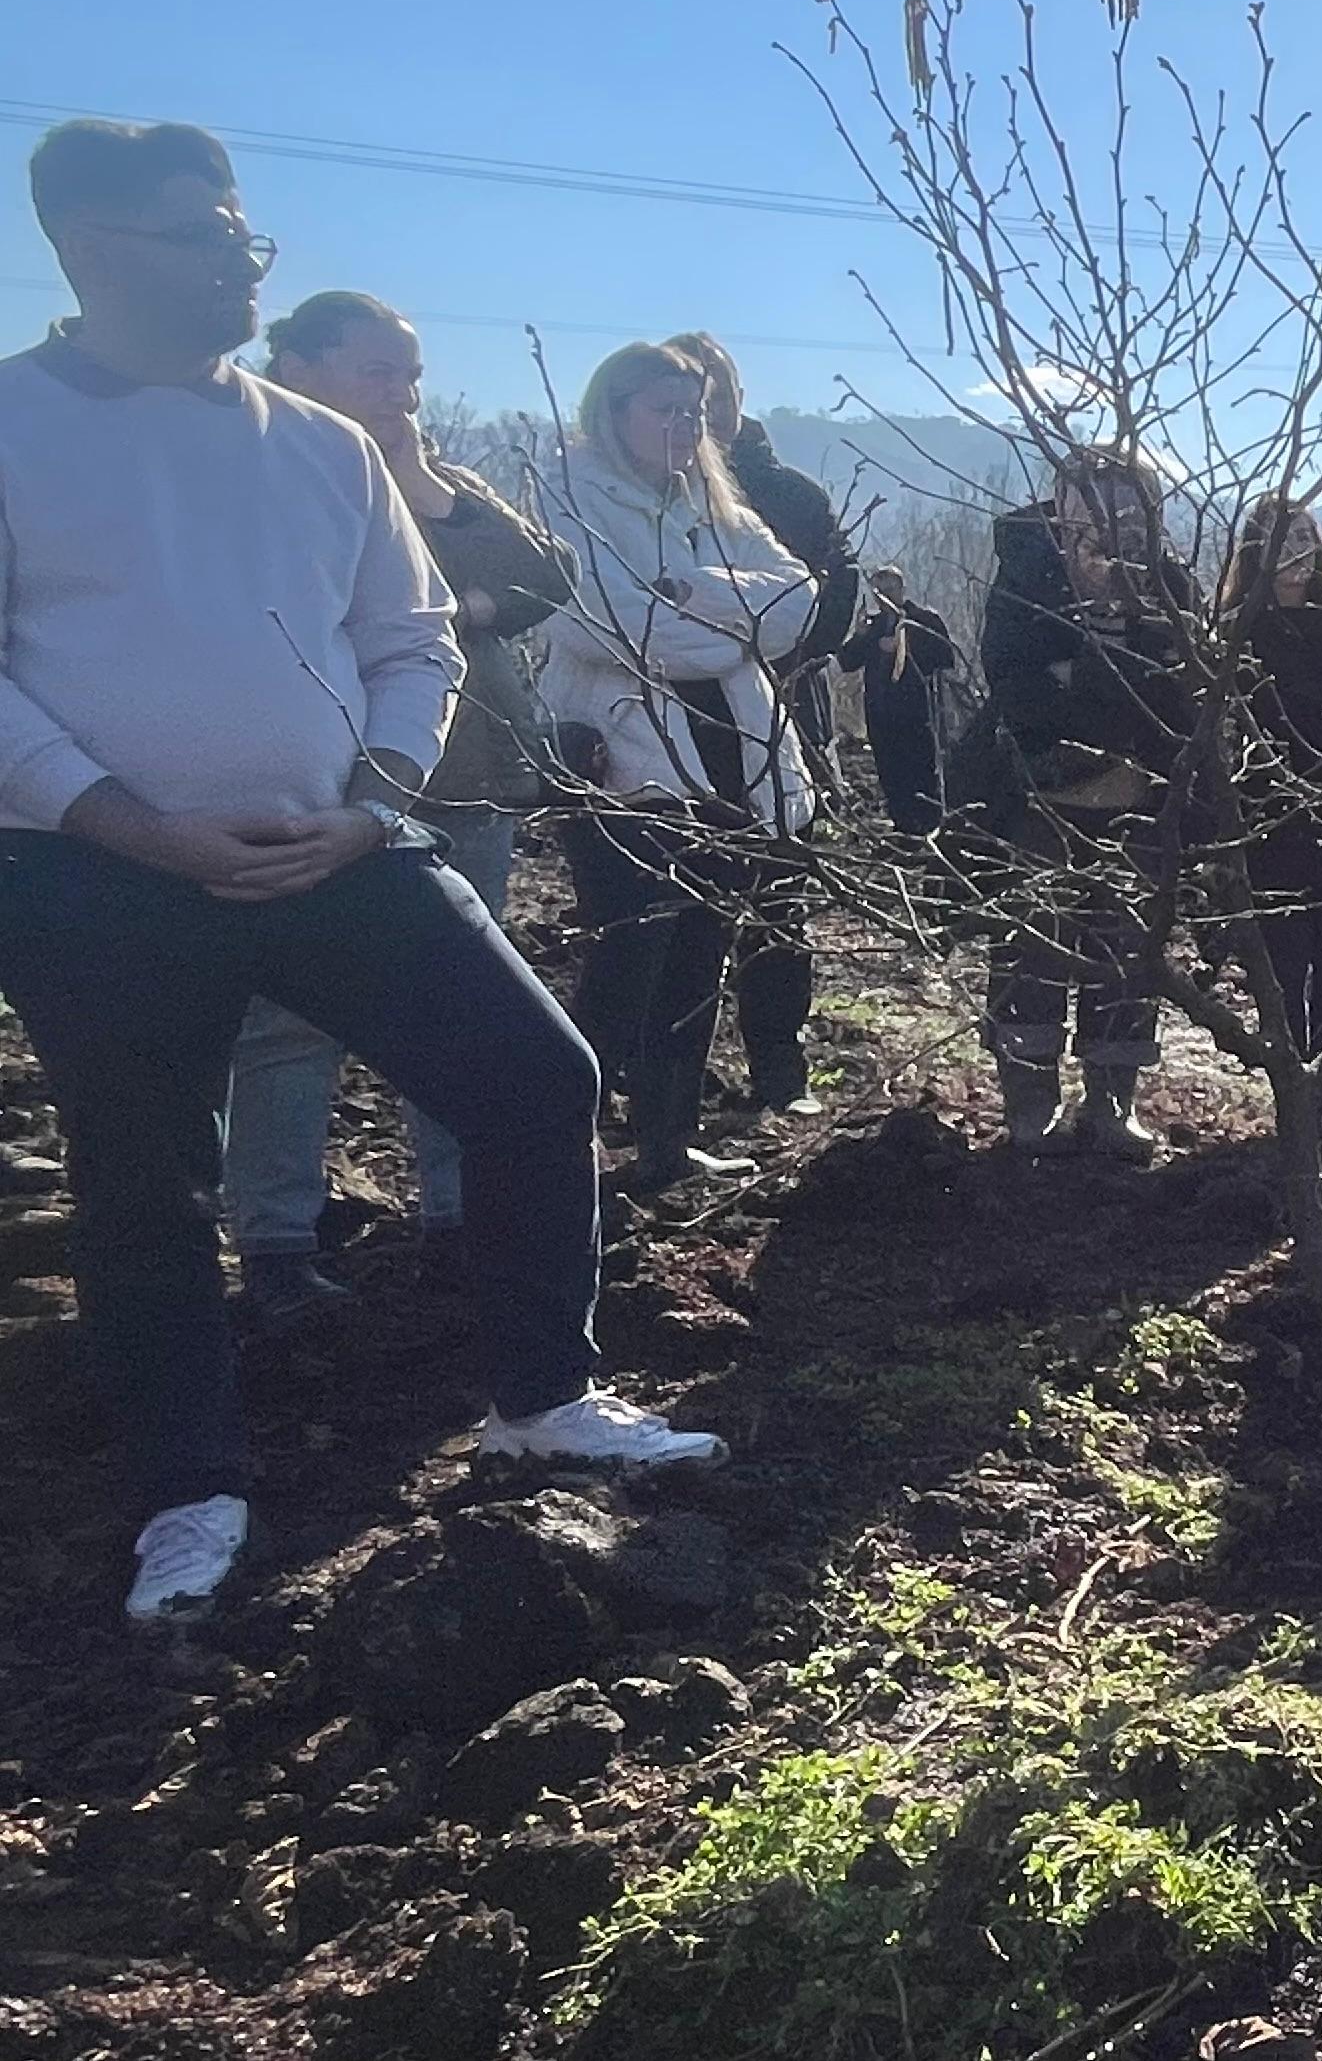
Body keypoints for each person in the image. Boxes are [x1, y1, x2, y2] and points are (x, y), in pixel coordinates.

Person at [0, 120, 716, 1624]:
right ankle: (189, 1491)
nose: (238, 265)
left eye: (243, 235)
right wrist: (131, 825)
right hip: (98, 877)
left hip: (339, 849)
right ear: (84, 245)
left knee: (534, 1077)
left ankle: (542, 1398)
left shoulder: (321, 447)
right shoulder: (13, 425)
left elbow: (413, 638)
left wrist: (375, 802)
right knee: (144, 1184)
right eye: (198, 237)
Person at [220, 290, 573, 1320]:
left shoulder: (437, 481)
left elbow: (545, 576)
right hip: (313, 791)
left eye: (412, 375)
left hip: (464, 781)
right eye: (379, 371)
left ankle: (463, 1220)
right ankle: (276, 1246)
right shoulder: (253, 466)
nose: (403, 395)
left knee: (466, 1014)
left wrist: (424, 490)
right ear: (296, 366)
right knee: (286, 1025)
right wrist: (462, 604)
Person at [538, 342, 822, 1195]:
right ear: (613, 412)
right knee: (628, 957)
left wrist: (689, 591)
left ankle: (668, 1142)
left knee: (701, 954)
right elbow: (604, 624)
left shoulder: (713, 498)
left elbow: (800, 599)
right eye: (665, 410)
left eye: (693, 412)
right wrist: (737, 628)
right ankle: (564, 1153)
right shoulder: (569, 495)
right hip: (627, 759)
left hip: (731, 749)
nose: (684, 427)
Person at [666, 332, 859, 1122]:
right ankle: (666, 1085)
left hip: (784, 715)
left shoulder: (791, 496)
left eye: (717, 391)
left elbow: (831, 604)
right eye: (688, 396)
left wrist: (750, 646)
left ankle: (781, 1071)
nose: (706, 409)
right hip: (673, 723)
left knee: (781, 904)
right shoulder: (643, 491)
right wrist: (744, 626)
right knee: (682, 908)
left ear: (740, 399)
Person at [981, 447, 1195, 1159]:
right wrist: (1109, 676)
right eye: (1091, 496)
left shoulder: (1170, 583)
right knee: (1032, 948)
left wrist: (1087, 671)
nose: (1109, 514)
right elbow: (1017, 687)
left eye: (1127, 498)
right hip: (1041, 798)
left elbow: (1174, 695)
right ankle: (1030, 1101)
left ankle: (1111, 1100)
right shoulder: (1024, 572)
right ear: (1062, 503)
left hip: (1137, 803)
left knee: (1126, 952)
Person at [1219, 495, 1322, 1080]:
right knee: (1282, 954)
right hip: (1266, 813)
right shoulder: (1236, 630)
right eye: (1280, 539)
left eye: (1305, 537)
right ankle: (1291, 1076)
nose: (1296, 552)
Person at [840, 564, 958, 835]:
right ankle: (903, 828)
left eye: (890, 590)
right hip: (880, 714)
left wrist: (906, 644)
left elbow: (945, 657)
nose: (885, 597)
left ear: (902, 589)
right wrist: (859, 636)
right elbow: (847, 662)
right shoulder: (873, 627)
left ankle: (931, 828)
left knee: (922, 770)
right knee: (890, 773)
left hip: (917, 713)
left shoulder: (924, 620)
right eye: (879, 592)